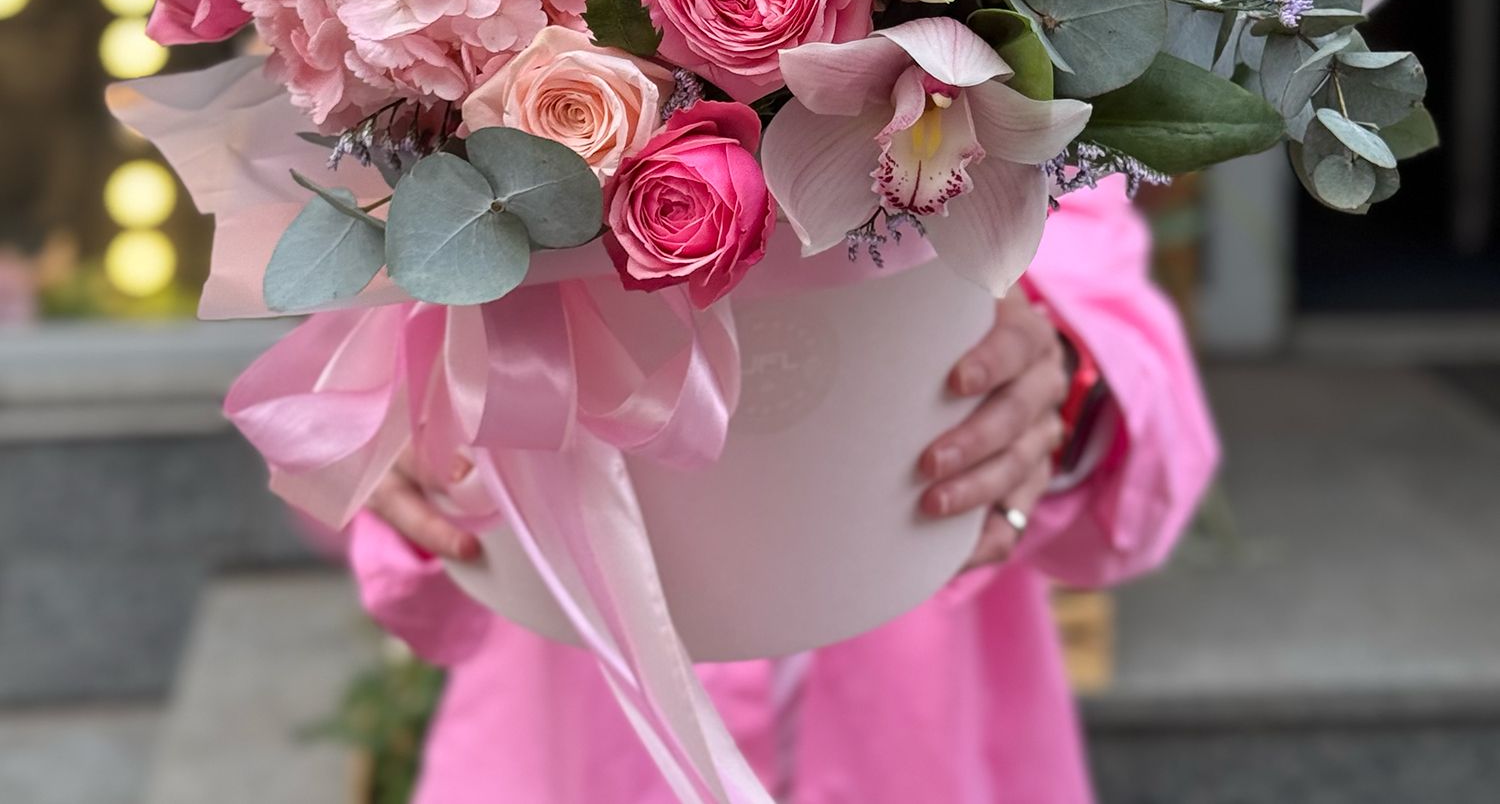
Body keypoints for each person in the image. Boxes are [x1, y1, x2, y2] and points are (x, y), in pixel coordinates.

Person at [350, 177, 1218, 803]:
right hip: (569, 743)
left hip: (928, 738)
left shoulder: (996, 68)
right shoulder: (458, 161)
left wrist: (1060, 390)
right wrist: (387, 442)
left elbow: (1145, 423)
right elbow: (396, 550)